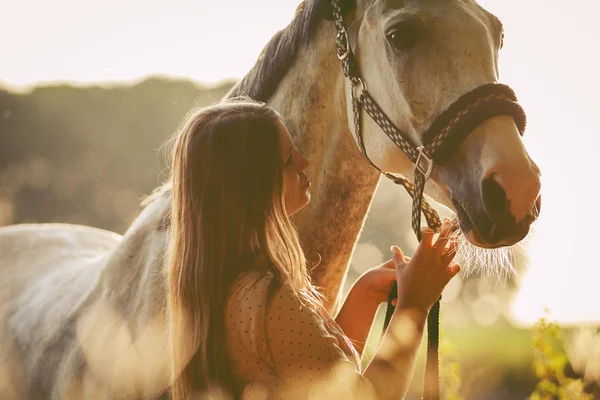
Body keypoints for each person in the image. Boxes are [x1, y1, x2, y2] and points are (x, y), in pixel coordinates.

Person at [166, 99, 460, 400]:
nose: (304, 163)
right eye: (287, 161)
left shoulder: (236, 288)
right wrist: (414, 305)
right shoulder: (270, 299)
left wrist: (366, 293)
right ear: (251, 189)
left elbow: (320, 371)